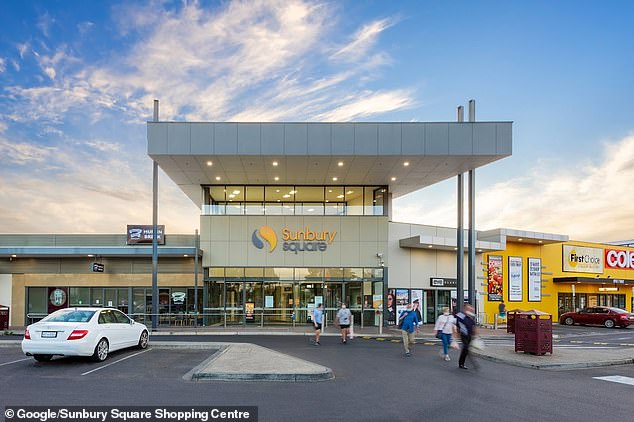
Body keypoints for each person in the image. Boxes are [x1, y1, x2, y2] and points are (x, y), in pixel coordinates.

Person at [454, 303, 477, 370]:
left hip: (470, 334)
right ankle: (462, 363)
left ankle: (463, 361)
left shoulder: (472, 316)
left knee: (466, 349)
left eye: (470, 309)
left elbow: (473, 325)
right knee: (466, 347)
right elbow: (456, 324)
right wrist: (456, 334)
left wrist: (475, 333)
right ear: (464, 309)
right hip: (463, 334)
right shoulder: (460, 315)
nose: (469, 310)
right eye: (468, 309)